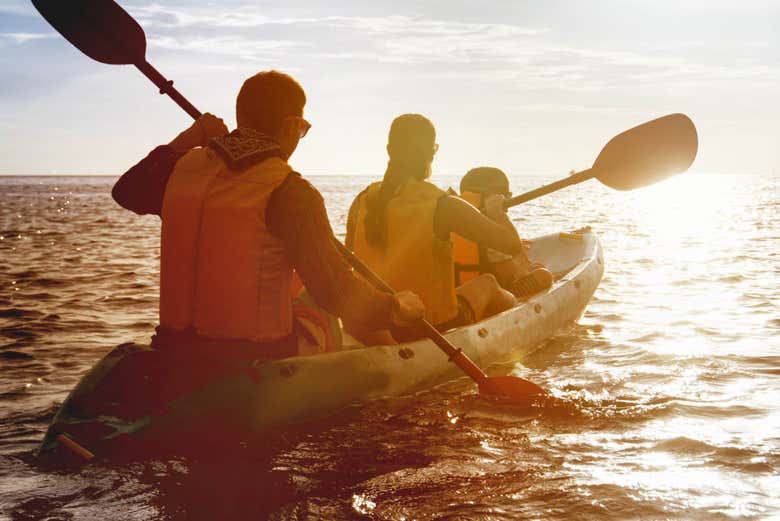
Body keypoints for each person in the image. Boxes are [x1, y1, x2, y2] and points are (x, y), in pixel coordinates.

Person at [112, 70, 424, 359]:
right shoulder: (290, 190)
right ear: (291, 125)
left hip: (174, 349)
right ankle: (400, 358)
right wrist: (394, 308)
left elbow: (126, 191)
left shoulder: (180, 170)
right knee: (313, 296)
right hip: (253, 357)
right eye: (302, 128)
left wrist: (190, 137)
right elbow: (335, 292)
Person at [345, 114, 521, 345]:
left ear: (389, 150)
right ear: (432, 152)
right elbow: (511, 244)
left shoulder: (362, 200)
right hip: (430, 327)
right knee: (488, 283)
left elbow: (349, 254)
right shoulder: (443, 204)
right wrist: (497, 212)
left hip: (376, 325)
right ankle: (519, 322)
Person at [452, 167, 554, 297]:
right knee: (543, 275)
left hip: (456, 291)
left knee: (535, 267)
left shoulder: (452, 215)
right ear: (494, 198)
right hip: (490, 296)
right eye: (507, 195)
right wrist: (499, 215)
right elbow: (508, 276)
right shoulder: (491, 229)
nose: (508, 198)